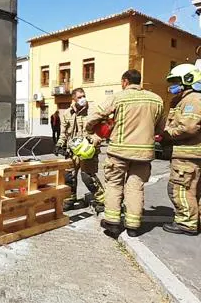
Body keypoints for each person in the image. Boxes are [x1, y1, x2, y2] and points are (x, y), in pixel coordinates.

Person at [86, 70, 165, 237]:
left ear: (125, 81)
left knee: (114, 185)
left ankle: (113, 224)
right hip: (144, 154)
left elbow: (95, 115)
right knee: (135, 187)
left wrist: (90, 129)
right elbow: (160, 129)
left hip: (119, 151)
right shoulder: (156, 99)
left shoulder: (119, 97)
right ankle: (133, 227)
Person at [159, 64, 201, 236]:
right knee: (194, 190)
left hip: (188, 154)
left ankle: (186, 223)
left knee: (179, 188)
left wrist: (166, 134)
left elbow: (189, 127)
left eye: (176, 81)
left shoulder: (193, 100)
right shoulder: (184, 99)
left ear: (188, 80)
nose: (172, 86)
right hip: (191, 154)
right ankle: (194, 220)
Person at [54, 88, 105, 212]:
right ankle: (69, 200)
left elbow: (102, 130)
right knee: (68, 177)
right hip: (72, 151)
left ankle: (102, 200)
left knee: (88, 177)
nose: (83, 99)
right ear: (73, 99)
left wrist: (95, 140)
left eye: (84, 96)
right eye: (79, 97)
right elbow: (64, 133)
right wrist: (59, 144)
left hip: (88, 151)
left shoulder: (93, 111)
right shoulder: (67, 113)